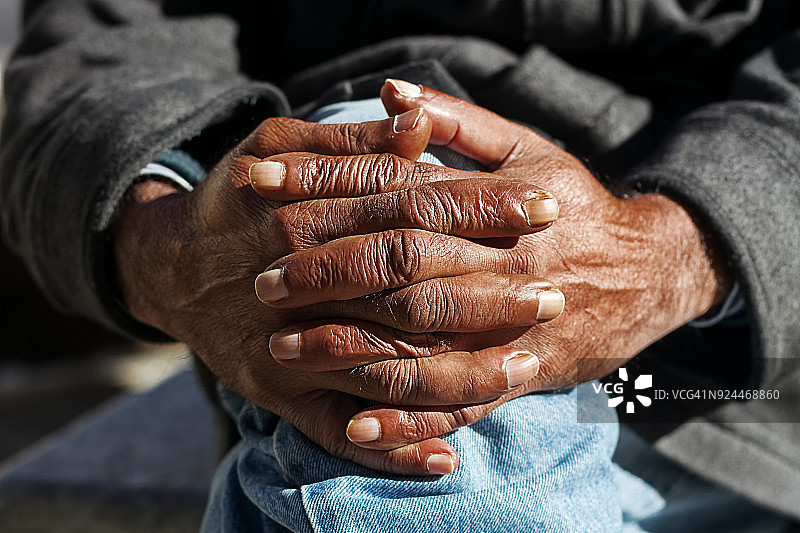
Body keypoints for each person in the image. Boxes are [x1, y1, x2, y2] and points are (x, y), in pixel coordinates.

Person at [1, 1, 799, 531]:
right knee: (408, 305)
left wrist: (678, 248)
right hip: (364, 150)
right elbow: (92, 61)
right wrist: (169, 244)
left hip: (751, 376)